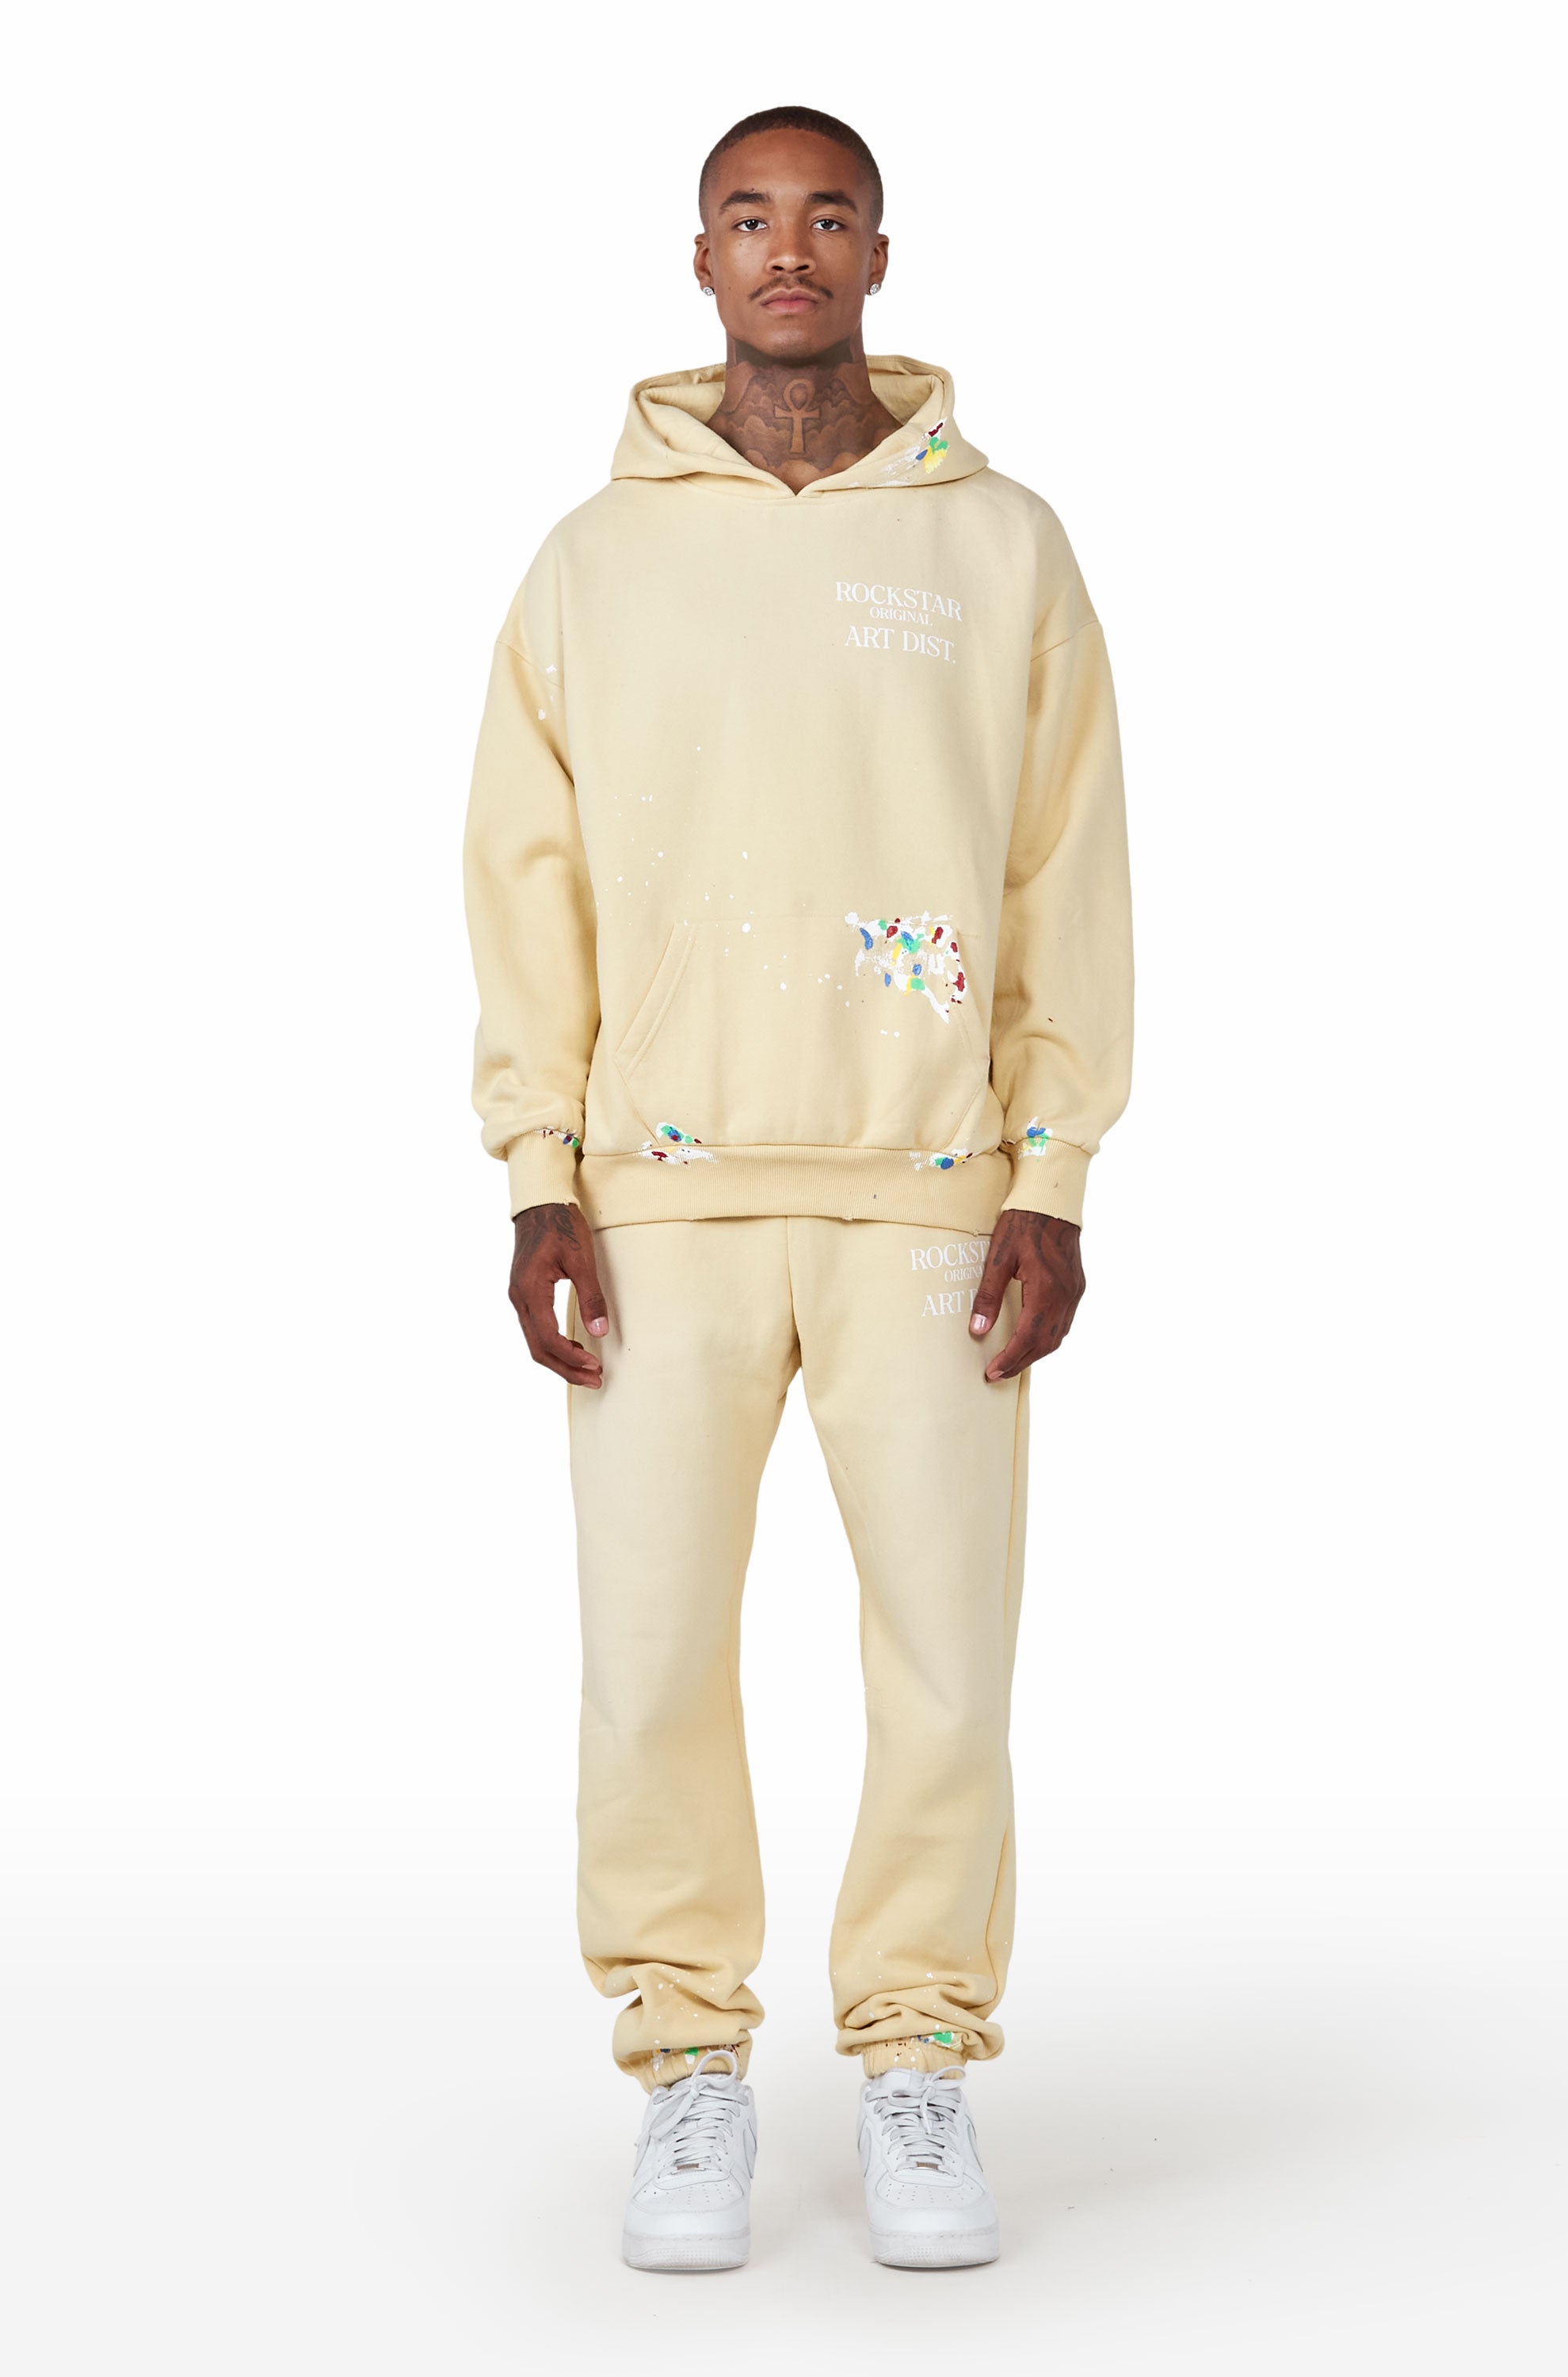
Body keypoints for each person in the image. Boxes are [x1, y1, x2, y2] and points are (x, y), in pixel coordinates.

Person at [463, 103, 1132, 2272]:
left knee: (947, 1657)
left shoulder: (1001, 544)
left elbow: (1060, 870)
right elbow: (528, 884)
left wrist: (1053, 1170)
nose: (789, 250)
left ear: (877, 256)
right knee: (651, 1653)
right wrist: (537, 1175)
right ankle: (688, 2064)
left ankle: (919, 2047)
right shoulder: (593, 561)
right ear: (699, 261)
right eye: (748, 217)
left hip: (933, 1188)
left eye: (826, 216)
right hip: (655, 1195)